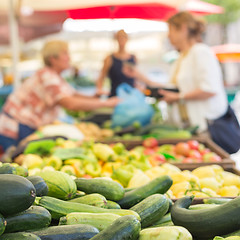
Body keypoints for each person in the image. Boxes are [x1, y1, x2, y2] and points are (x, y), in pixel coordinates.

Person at [0, 40, 120, 151]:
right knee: (14, 163)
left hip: (27, 126)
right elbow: (70, 103)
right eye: (65, 54)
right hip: (15, 128)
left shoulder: (57, 77)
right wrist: (106, 103)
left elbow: (74, 95)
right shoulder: (47, 76)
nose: (69, 58)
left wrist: (95, 96)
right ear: (53, 58)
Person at [159, 11, 240, 154]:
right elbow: (175, 87)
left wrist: (178, 97)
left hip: (207, 129)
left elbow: (209, 89)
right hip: (190, 130)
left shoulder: (201, 52)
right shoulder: (182, 57)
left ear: (183, 29)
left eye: (171, 30)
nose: (168, 35)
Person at [96, 29, 158, 97]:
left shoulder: (133, 58)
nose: (121, 40)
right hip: (115, 96)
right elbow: (101, 77)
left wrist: (143, 86)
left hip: (131, 94)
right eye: (119, 37)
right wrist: (99, 90)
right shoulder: (110, 58)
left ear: (127, 39)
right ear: (116, 39)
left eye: (123, 37)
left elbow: (137, 77)